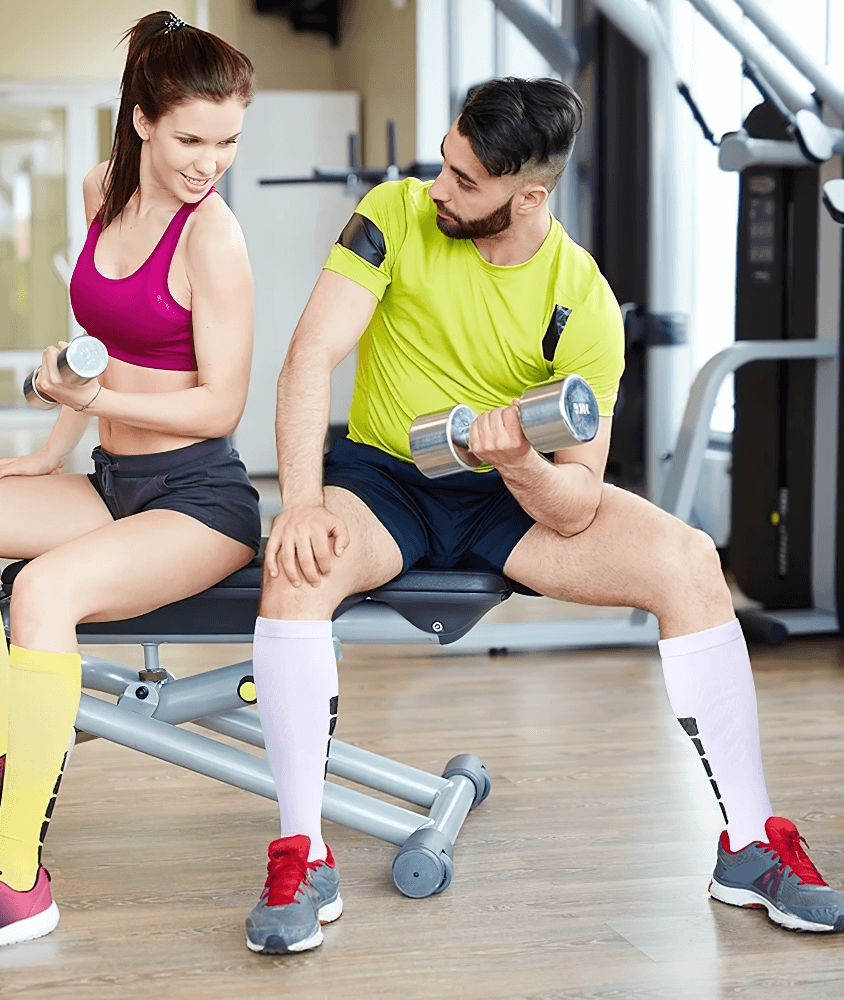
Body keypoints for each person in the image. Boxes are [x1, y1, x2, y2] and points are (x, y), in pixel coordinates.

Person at [243, 76, 844, 955]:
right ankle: (305, 850)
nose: (439, 188)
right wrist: (298, 504)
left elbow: (577, 502)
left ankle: (749, 846)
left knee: (687, 561)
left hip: (508, 495)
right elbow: (308, 359)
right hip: (385, 481)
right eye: (444, 164)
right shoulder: (396, 213)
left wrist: (520, 457)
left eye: (465, 180)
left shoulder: (584, 300)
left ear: (529, 194)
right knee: (294, 567)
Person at [0, 11, 259, 959]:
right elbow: (100, 350)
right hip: (110, 479)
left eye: (227, 142)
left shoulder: (213, 237)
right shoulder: (102, 190)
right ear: (140, 119)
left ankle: (16, 878)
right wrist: (54, 442)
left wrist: (100, 395)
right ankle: (21, 749)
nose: (209, 161)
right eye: (191, 139)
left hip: (199, 502)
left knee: (43, 591)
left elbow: (220, 408)